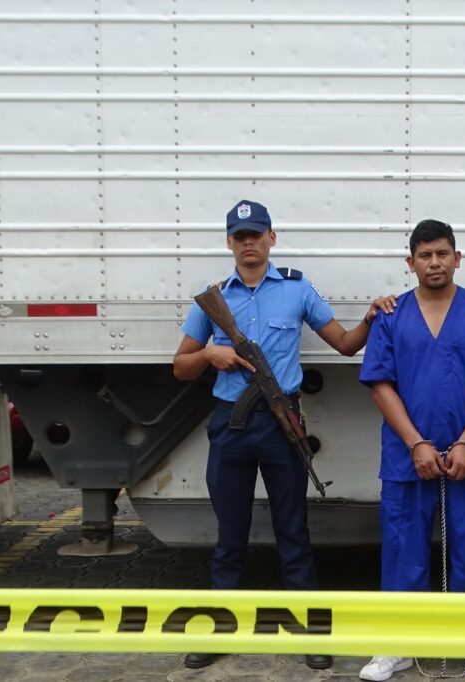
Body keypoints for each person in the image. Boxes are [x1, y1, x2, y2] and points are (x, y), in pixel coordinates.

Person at [173, 199, 392, 671]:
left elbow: (345, 343)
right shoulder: (213, 298)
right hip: (230, 424)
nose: (249, 243)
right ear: (229, 243)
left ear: (272, 238)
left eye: (257, 234)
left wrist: (373, 316)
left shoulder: (297, 290)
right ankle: (220, 627)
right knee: (230, 533)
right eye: (240, 236)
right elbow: (180, 366)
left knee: (293, 529)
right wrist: (212, 355)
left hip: (282, 423)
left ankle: (311, 630)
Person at [357, 220, 465, 682]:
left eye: (442, 253)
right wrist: (416, 443)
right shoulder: (391, 314)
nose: (434, 262)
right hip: (406, 455)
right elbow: (379, 384)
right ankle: (397, 644)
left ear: (457, 258)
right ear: (410, 262)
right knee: (402, 549)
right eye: (425, 255)